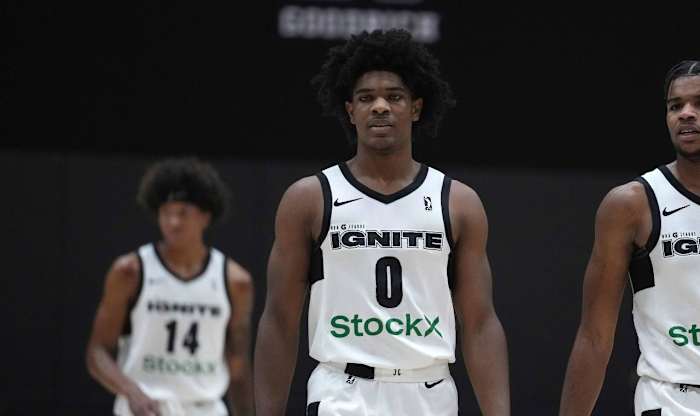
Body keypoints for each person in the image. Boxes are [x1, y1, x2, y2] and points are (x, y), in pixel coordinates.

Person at [254, 28, 510, 416]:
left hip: (430, 390)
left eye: (394, 97)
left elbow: (479, 322)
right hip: (342, 390)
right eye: (365, 98)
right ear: (349, 111)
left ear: (416, 108)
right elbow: (278, 319)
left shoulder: (457, 202)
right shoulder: (310, 198)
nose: (380, 107)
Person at [560, 60, 700, 415]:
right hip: (671, 399)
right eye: (675, 106)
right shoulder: (632, 204)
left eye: (699, 104)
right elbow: (594, 337)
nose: (686, 114)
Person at [86, 157, 254, 416]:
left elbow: (238, 366)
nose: (173, 222)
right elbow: (97, 352)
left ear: (205, 216)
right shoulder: (130, 271)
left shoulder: (235, 282)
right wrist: (131, 391)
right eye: (166, 212)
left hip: (205, 408)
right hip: (145, 406)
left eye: (183, 213)